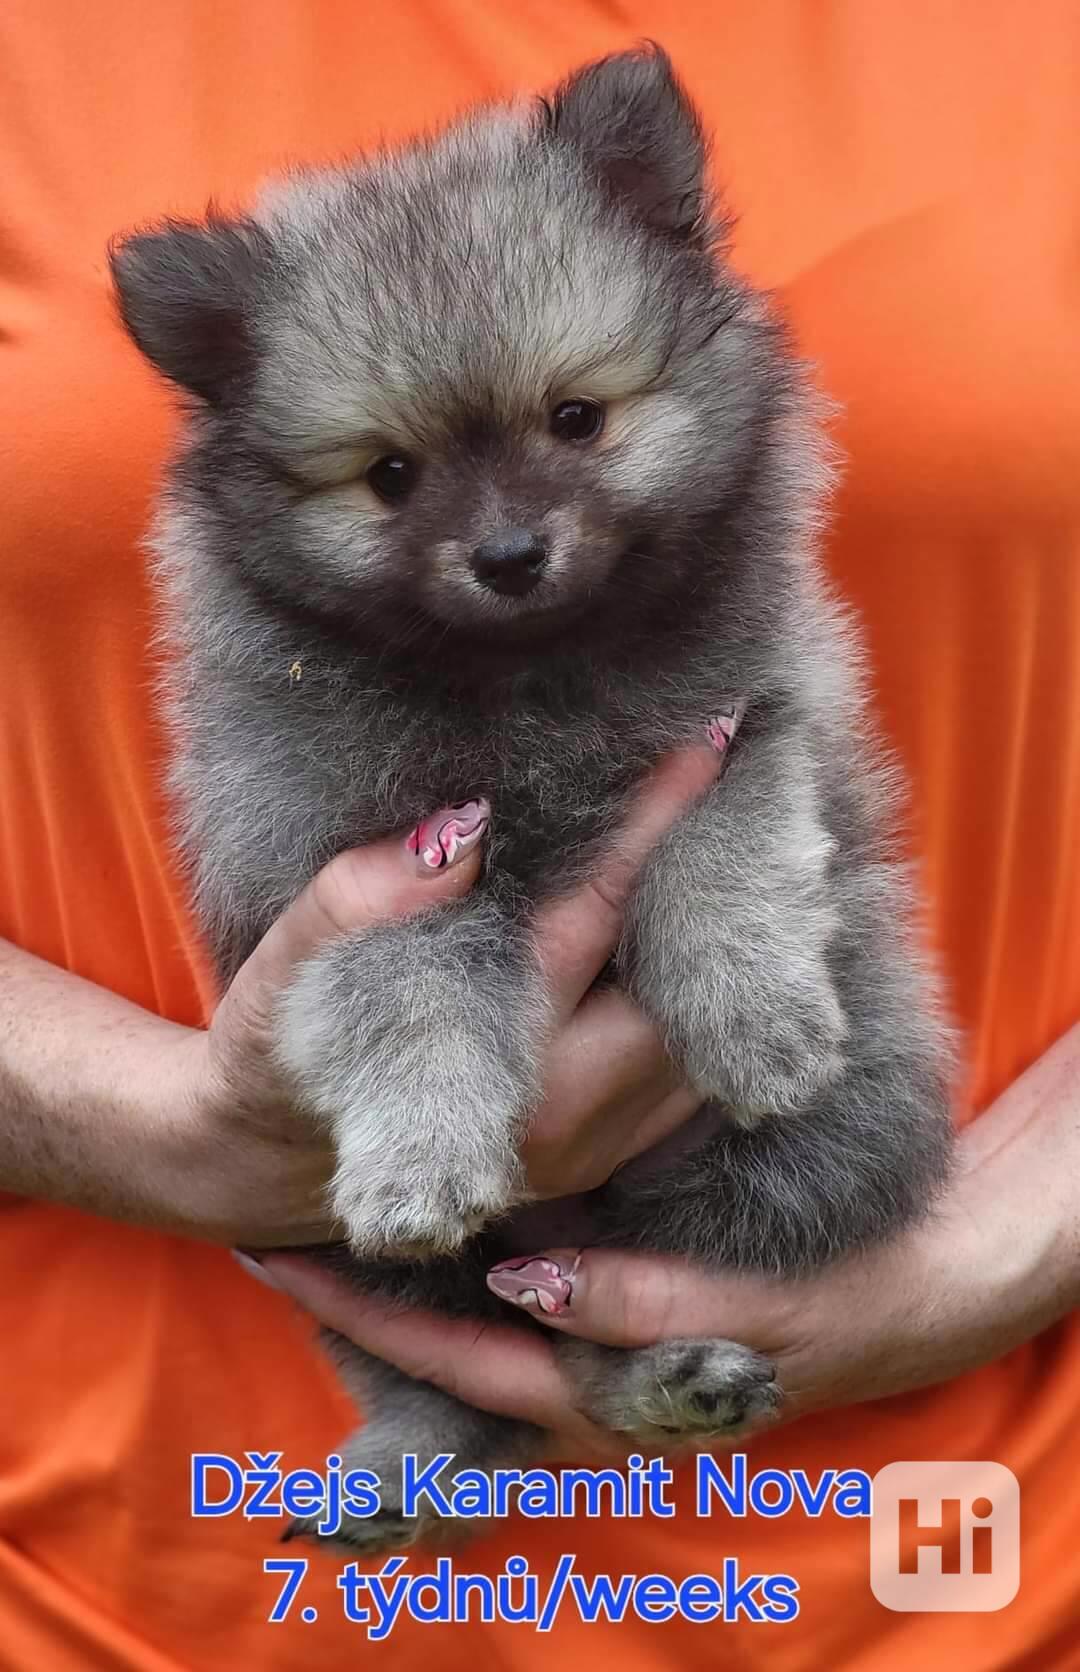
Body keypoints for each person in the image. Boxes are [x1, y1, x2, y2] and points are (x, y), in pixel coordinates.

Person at [2, 3, 1077, 1667]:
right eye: (389, 473)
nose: (503, 531)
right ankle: (437, 1426)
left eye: (579, 422)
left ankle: (634, 1362)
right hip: (144, 1587)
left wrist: (1022, 1241)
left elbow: (755, 765)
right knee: (401, 1015)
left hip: (978, 1558)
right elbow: (359, 931)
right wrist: (147, 1125)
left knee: (824, 1097)